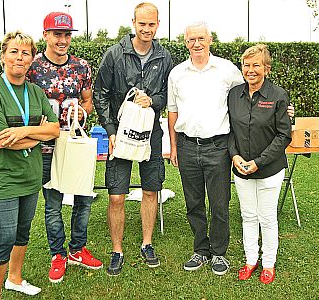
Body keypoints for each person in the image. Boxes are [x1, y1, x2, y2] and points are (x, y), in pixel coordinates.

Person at [0, 31, 59, 299]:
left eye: (25, 53)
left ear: (32, 58)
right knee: (4, 237)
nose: (19, 57)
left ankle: (15, 278)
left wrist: (21, 132)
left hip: (29, 175)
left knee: (22, 232)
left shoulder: (35, 92)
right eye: (14, 51)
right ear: (3, 56)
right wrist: (36, 133)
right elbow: (0, 141)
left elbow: (54, 129)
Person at [93, 2, 172, 276]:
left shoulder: (164, 57)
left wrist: (153, 100)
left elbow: (168, 97)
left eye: (151, 24)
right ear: (133, 23)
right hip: (120, 136)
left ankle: (147, 243)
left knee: (151, 191)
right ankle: (117, 249)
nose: (146, 29)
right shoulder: (114, 54)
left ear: (158, 24)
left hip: (151, 135)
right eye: (142, 24)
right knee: (116, 195)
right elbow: (100, 93)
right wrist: (110, 130)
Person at [27, 12, 102, 283]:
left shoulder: (82, 66)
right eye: (57, 34)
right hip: (46, 147)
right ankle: (57, 253)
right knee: (54, 204)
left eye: (67, 34)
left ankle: (78, 249)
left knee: (83, 200)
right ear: (45, 34)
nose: (62, 40)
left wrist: (82, 112)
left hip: (76, 143)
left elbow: (88, 101)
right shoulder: (33, 67)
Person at [167, 21, 245, 276]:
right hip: (188, 146)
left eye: (201, 38)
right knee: (194, 203)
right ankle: (201, 250)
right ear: (186, 42)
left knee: (220, 203)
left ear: (210, 39)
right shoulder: (177, 73)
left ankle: (219, 253)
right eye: (191, 40)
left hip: (218, 147)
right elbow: (172, 111)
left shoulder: (227, 70)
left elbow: (245, 100)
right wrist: (174, 146)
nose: (196, 44)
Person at [228, 44, 292, 284]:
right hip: (241, 168)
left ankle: (268, 263)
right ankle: (250, 260)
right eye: (246, 65)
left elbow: (283, 135)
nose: (251, 70)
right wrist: (235, 156)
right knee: (248, 216)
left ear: (267, 68)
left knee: (266, 217)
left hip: (269, 170)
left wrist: (259, 162)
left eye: (256, 65)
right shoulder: (234, 95)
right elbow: (230, 130)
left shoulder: (278, 96)